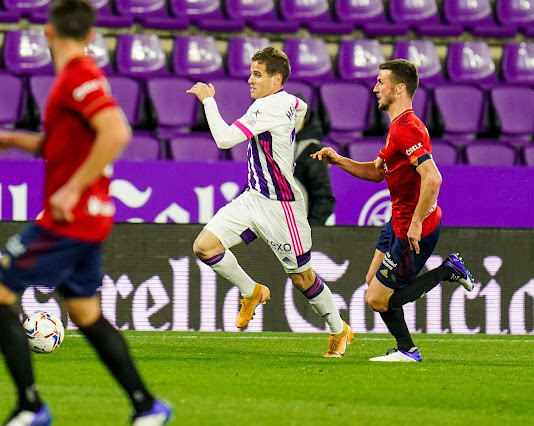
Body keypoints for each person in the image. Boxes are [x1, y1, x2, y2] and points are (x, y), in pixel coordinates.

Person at [0, 1, 171, 424]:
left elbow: (116, 131)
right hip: (90, 220)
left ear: (48, 32)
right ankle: (147, 407)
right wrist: (9, 139)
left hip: (70, 219)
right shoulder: (75, 79)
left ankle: (30, 407)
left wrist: (72, 189)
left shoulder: (79, 75)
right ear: (92, 35)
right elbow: (60, 145)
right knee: (85, 314)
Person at [186, 46, 353, 358]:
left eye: (257, 75)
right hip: (253, 197)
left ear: (277, 79)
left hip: (282, 206)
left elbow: (223, 140)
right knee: (205, 246)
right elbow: (301, 109)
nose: (250, 80)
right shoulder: (288, 101)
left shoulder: (269, 109)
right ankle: (252, 292)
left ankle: (339, 329)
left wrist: (208, 100)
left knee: (302, 278)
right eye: (251, 72)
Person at [311, 59, 474, 362]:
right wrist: (338, 160)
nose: (375, 88)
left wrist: (414, 224)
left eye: (381, 83)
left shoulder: (408, 130)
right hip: (397, 222)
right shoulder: (398, 128)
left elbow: (433, 177)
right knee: (371, 281)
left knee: (376, 298)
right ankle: (406, 349)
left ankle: (447, 272)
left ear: (399, 89)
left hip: (414, 230)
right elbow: (376, 172)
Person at [292, 97, 335, 225]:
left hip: (298, 232)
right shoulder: (268, 147)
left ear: (306, 119)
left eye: (298, 116)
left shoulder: (313, 151)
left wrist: (309, 232)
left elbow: (324, 200)